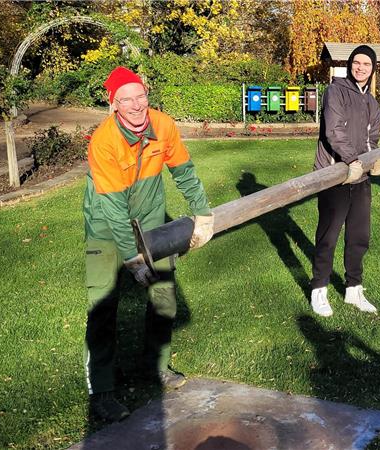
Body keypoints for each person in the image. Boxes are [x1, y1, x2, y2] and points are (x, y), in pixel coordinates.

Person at [83, 66, 215, 422]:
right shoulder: (104, 141)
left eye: (140, 96)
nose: (136, 105)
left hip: (152, 220)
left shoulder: (163, 124)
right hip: (104, 225)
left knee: (163, 295)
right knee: (102, 306)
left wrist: (203, 213)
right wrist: (131, 257)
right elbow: (113, 208)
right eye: (126, 99)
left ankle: (155, 364)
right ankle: (102, 390)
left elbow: (184, 171)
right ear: (114, 104)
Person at [310, 45, 380, 317]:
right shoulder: (335, 91)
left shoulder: (372, 102)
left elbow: (372, 139)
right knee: (328, 235)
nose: (361, 68)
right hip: (335, 174)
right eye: (357, 62)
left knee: (359, 235)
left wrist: (372, 161)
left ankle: (354, 289)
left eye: (366, 64)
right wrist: (352, 160)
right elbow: (333, 131)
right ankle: (319, 289)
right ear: (350, 64)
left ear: (372, 69)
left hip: (360, 177)